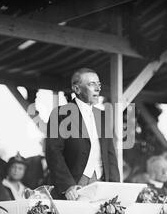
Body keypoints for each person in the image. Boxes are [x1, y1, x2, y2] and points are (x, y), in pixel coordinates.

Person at [45, 68, 120, 200]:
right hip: (74, 185)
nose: (97, 88)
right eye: (91, 84)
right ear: (77, 89)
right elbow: (53, 153)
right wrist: (67, 185)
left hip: (102, 182)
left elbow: (110, 155)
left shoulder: (103, 117)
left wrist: (116, 187)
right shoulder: (60, 114)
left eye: (99, 84)